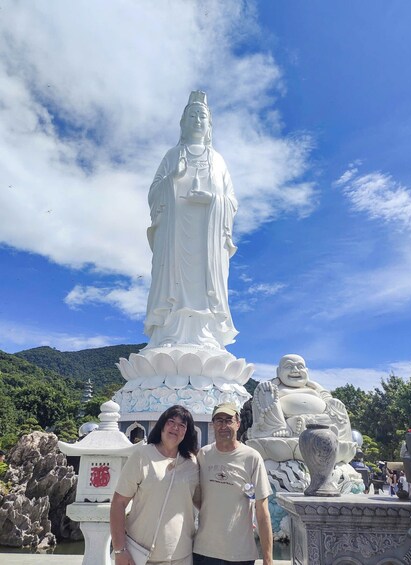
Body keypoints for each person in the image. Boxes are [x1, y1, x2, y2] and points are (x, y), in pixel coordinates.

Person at [144, 90, 238, 350]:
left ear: (209, 125)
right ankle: (168, 334)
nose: (197, 120)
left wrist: (212, 199)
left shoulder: (217, 160)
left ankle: (206, 335)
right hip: (175, 234)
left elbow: (231, 199)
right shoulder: (172, 155)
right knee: (173, 282)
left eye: (202, 117)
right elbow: (153, 193)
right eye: (193, 115)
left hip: (207, 234)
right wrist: (172, 177)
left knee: (204, 284)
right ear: (183, 123)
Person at [110, 405, 199, 565]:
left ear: (187, 432)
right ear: (162, 425)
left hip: (182, 555)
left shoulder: (192, 463)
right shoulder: (142, 456)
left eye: (182, 425)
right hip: (141, 554)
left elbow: (204, 501)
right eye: (171, 422)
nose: (175, 428)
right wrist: (119, 550)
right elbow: (119, 503)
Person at [193, 402, 273, 565]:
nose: (223, 426)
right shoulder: (204, 455)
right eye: (219, 421)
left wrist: (268, 558)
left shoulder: (252, 457)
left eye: (228, 420)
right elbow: (197, 497)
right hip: (205, 551)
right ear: (213, 425)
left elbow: (262, 511)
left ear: (238, 423)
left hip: (241, 553)